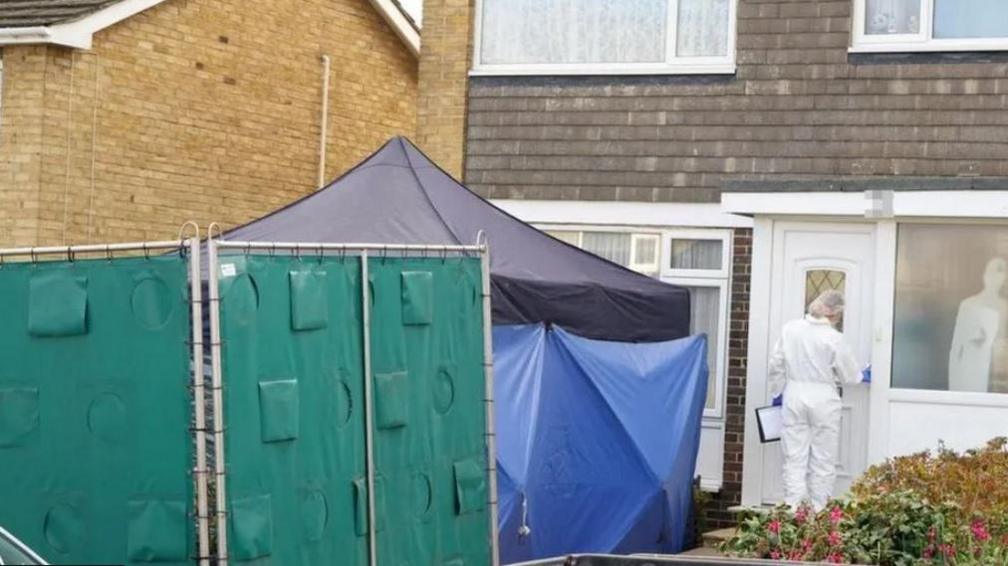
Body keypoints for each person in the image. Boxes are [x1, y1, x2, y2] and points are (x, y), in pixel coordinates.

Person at [767, 290, 864, 511]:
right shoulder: (833, 338)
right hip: (823, 398)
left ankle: (793, 510)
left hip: (794, 394)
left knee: (794, 455)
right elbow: (850, 376)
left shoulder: (790, 329)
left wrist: (777, 391)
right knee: (823, 457)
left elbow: (776, 364)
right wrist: (862, 374)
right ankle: (819, 511)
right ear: (834, 314)